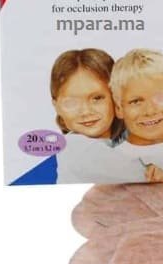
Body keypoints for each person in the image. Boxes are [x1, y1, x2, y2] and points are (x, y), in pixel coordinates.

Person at [109, 48, 163, 182]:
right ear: (119, 109)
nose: (150, 111)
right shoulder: (109, 161)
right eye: (136, 101)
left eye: (160, 98)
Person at [50, 48, 123, 183]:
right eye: (72, 102)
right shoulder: (74, 146)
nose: (86, 111)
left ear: (116, 97)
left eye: (97, 98)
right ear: (57, 106)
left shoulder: (119, 142)